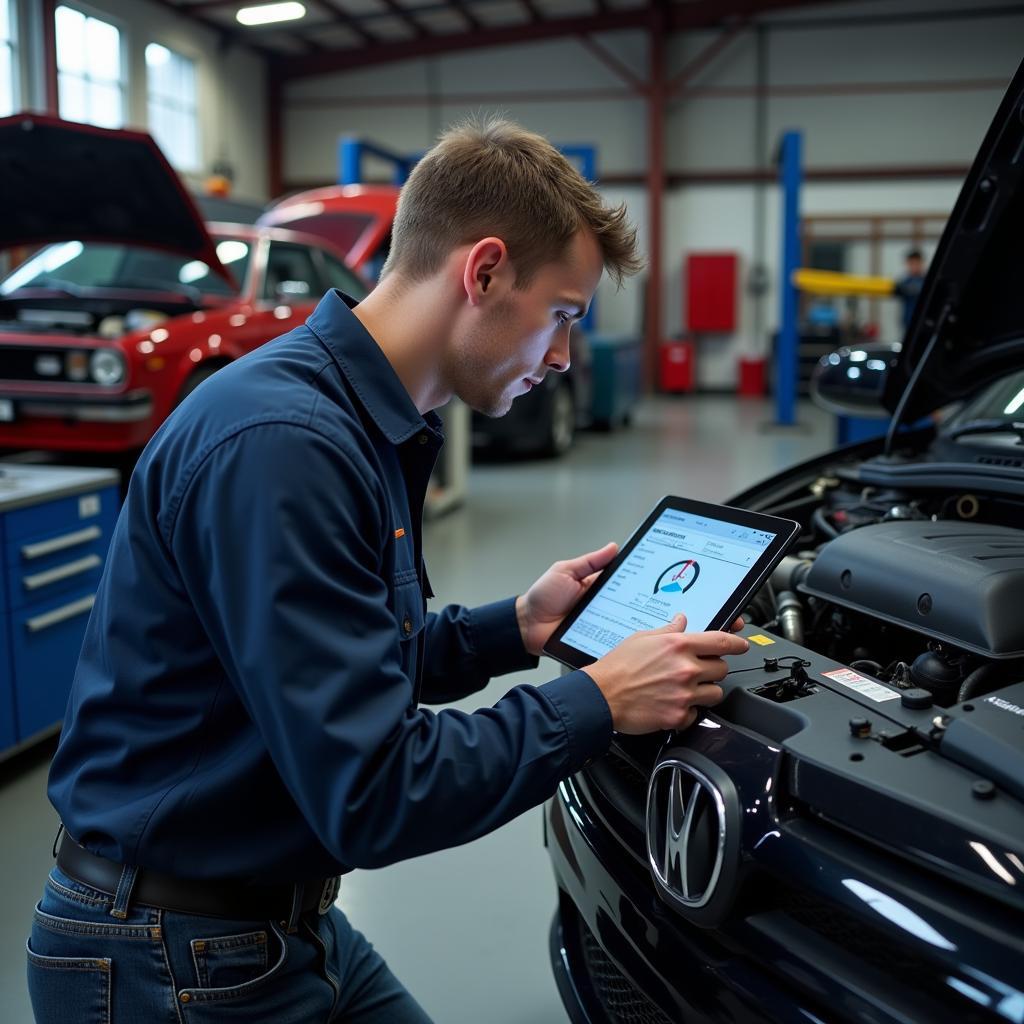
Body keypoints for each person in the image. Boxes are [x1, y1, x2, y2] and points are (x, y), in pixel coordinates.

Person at [27, 118, 749, 1023]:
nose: (565, 357)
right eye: (561, 315)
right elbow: (373, 793)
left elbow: (342, 658)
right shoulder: (286, 445)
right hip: (168, 955)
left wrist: (514, 627)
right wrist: (598, 701)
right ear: (483, 272)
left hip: (272, 922)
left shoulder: (357, 424)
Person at [894, 247, 926, 329]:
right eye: (912, 264)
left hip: (923, 323)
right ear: (908, 264)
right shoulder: (904, 282)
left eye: (917, 263)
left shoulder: (926, 281)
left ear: (921, 263)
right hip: (908, 321)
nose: (914, 266)